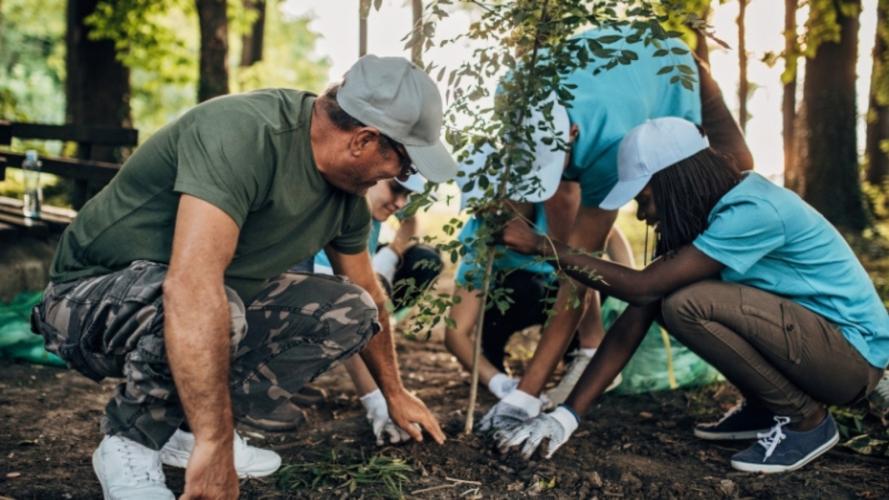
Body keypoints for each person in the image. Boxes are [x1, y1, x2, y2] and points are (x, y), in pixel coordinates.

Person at [30, 55, 454, 499]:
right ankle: (128, 442)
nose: (399, 179)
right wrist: (217, 448)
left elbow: (368, 290)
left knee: (350, 311)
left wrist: (394, 392)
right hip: (83, 303)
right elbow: (192, 287)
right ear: (364, 140)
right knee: (217, 307)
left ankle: (181, 431)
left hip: (195, 303)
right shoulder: (244, 133)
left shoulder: (347, 199)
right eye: (404, 167)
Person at [494, 117, 888, 473]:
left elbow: (642, 286)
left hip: (851, 361)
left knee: (686, 304)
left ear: (674, 183)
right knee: (671, 301)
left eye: (644, 199)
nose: (644, 216)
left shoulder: (754, 209)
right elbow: (641, 305)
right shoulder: (719, 216)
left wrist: (549, 247)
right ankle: (765, 409)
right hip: (817, 352)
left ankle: (806, 422)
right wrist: (567, 417)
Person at [479, 24, 754, 429]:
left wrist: (524, 395)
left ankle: (750, 356)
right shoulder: (515, 93)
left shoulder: (612, 140)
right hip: (615, 75)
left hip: (672, 67)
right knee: (564, 223)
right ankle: (590, 348)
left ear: (572, 133)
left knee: (734, 172)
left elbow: (580, 271)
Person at [445, 127, 629, 402]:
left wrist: (625, 296)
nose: (484, 212)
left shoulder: (556, 212)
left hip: (565, 297)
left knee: (589, 277)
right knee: (521, 286)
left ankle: (577, 358)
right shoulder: (482, 234)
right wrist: (498, 383)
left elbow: (609, 236)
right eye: (477, 205)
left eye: (491, 202)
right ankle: (496, 366)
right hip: (513, 303)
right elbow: (455, 332)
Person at [305, 175, 445, 446]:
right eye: (397, 190)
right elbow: (348, 321)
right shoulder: (338, 209)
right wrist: (378, 400)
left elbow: (410, 219)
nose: (400, 203)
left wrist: (390, 256)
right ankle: (284, 384)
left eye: (408, 195)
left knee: (423, 259)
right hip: (311, 289)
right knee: (350, 312)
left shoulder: (379, 193)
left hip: (356, 272)